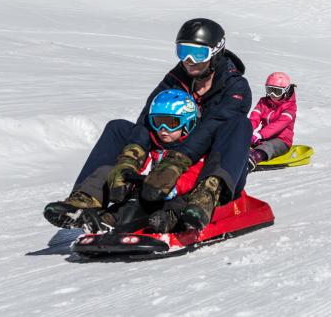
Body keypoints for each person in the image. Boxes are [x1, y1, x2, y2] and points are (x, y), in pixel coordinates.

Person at [43, 18, 252, 232]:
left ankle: (206, 195)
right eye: (182, 51)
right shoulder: (176, 78)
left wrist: (175, 163)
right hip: (165, 159)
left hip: (210, 163)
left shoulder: (235, 87)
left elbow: (211, 127)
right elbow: (146, 118)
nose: (188, 60)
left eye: (198, 54)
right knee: (119, 128)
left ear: (215, 53)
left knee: (239, 125)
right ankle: (87, 196)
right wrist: (130, 158)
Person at [44, 89, 203, 232]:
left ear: (187, 123)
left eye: (171, 123)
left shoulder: (191, 150)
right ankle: (83, 207)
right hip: (146, 192)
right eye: (157, 122)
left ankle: (169, 221)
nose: (163, 129)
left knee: (176, 203)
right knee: (106, 172)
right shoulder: (153, 145)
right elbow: (142, 166)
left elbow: (195, 174)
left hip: (171, 195)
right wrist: (127, 175)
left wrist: (173, 188)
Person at [247, 72, 297, 171]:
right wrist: (246, 130)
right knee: (243, 140)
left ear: (286, 91)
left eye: (277, 91)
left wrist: (260, 135)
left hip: (282, 141)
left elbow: (279, 124)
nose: (272, 95)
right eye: (269, 90)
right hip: (264, 138)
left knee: (268, 146)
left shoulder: (290, 107)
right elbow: (255, 117)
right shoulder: (263, 102)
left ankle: (254, 157)